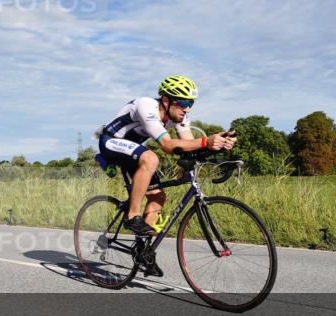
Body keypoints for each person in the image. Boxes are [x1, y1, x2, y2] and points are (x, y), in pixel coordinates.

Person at [98, 75, 236, 277]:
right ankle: (132, 216)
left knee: (158, 196)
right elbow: (168, 146)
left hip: (133, 149)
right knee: (151, 158)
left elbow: (189, 146)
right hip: (111, 142)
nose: (187, 108)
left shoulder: (180, 117)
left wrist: (219, 146)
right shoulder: (147, 106)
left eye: (191, 103)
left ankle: (144, 252)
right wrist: (206, 141)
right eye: (184, 102)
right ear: (165, 100)